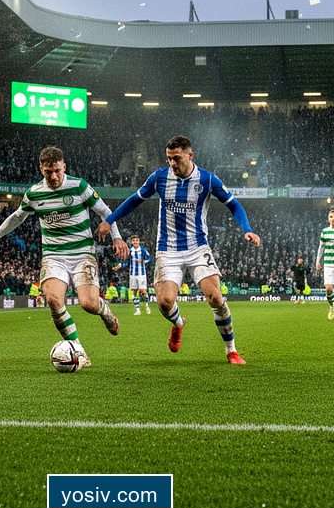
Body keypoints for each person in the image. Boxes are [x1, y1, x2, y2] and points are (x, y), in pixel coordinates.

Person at [97, 135, 261, 365]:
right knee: (164, 302)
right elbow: (135, 200)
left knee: (215, 296)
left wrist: (247, 229)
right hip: (168, 249)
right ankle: (178, 323)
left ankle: (231, 350)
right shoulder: (160, 177)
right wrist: (109, 220)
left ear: (190, 155)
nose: (172, 163)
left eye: (176, 158)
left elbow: (233, 204)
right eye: (169, 158)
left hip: (197, 247)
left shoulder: (207, 179)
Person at [0, 145, 128, 367]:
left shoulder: (79, 187)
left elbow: (105, 212)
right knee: (53, 300)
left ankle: (106, 313)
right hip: (53, 255)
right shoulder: (34, 193)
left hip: (82, 254)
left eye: (57, 171)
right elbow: (17, 217)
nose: (53, 176)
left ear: (64, 167)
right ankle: (78, 351)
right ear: (41, 169)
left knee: (89, 304)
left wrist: (116, 237)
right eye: (48, 172)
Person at [128, 234, 151, 315]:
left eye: (136, 240)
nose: (135, 242)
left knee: (143, 291)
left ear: (139, 241)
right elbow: (127, 261)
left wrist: (143, 261)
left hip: (141, 274)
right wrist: (120, 265)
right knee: (134, 291)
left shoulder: (143, 250)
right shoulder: (130, 251)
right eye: (133, 241)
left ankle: (147, 306)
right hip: (132, 274)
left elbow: (148, 258)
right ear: (132, 242)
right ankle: (138, 310)